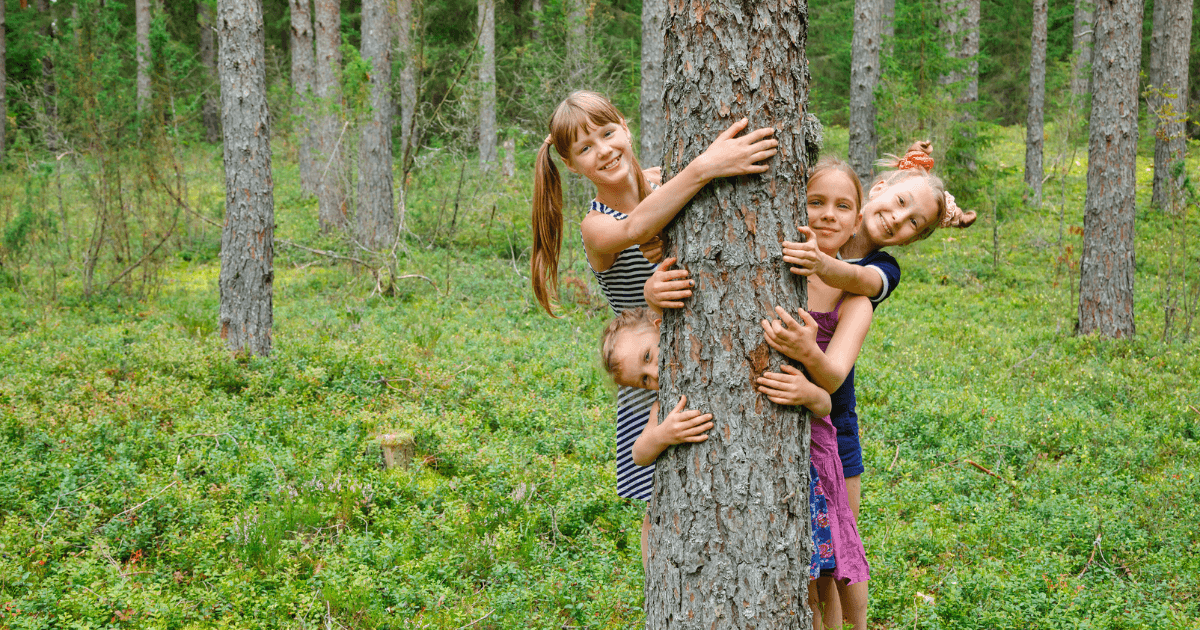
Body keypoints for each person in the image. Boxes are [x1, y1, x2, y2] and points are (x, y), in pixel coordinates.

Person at [646, 157, 873, 628]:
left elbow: (832, 377)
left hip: (821, 432)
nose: (828, 214)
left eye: (842, 205)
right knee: (796, 571)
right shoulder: (768, 264)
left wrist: (807, 354)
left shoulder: (856, 297)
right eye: (816, 202)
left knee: (825, 565)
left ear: (857, 219)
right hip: (765, 432)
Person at [530, 91, 776, 515]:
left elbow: (656, 209)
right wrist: (707, 166)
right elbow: (639, 223)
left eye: (608, 134)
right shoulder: (596, 225)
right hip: (644, 366)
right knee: (659, 506)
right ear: (570, 165)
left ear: (624, 126)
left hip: (695, 352)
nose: (604, 150)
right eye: (585, 149)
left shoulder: (663, 184)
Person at [598, 307, 832, 571]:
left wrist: (808, 393)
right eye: (643, 380)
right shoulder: (666, 404)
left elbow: (825, 405)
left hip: (783, 489)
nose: (654, 374)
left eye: (649, 356)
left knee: (816, 579)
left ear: (662, 326)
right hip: (730, 508)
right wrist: (663, 434)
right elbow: (639, 454)